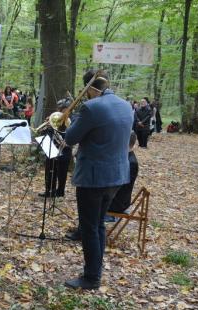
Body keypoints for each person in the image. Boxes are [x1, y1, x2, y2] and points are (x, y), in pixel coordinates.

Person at [63, 70, 133, 290]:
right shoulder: (125, 105)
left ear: (91, 89)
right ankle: (95, 270)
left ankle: (92, 277)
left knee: (90, 228)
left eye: (86, 92)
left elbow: (70, 138)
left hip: (94, 178)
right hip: (117, 176)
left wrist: (70, 120)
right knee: (99, 225)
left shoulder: (91, 107)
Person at [66, 131, 139, 233]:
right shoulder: (125, 157)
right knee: (89, 192)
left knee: (90, 195)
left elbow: (120, 186)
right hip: (114, 194)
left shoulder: (130, 162)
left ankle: (84, 231)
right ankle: (83, 228)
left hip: (117, 201)